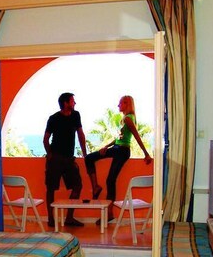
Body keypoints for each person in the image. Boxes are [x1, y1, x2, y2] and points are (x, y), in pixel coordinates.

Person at [85, 95, 152, 225]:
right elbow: (119, 138)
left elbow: (136, 136)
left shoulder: (128, 118)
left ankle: (108, 212)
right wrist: (106, 146)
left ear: (127, 104)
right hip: (118, 148)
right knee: (108, 177)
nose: (118, 105)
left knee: (98, 167)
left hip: (122, 151)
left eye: (120, 103)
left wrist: (146, 153)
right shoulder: (125, 119)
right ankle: (98, 191)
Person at [44, 92, 88, 228]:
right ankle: (51, 218)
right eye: (72, 101)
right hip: (55, 158)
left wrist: (85, 154)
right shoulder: (53, 118)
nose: (74, 103)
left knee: (77, 186)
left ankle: (69, 218)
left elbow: (80, 135)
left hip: (69, 159)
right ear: (65, 103)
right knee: (51, 188)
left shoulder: (76, 115)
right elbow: (45, 139)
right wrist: (49, 154)